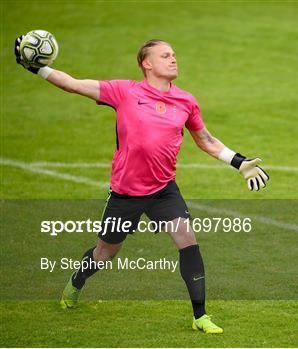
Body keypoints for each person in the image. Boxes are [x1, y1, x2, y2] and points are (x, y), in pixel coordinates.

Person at [14, 37, 270, 333]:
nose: (173, 59)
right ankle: (76, 282)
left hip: (164, 190)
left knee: (188, 242)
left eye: (174, 54)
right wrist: (38, 69)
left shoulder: (186, 100)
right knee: (105, 254)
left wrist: (239, 163)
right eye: (165, 55)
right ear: (147, 63)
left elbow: (207, 141)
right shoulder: (123, 91)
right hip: (125, 195)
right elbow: (73, 84)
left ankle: (200, 316)